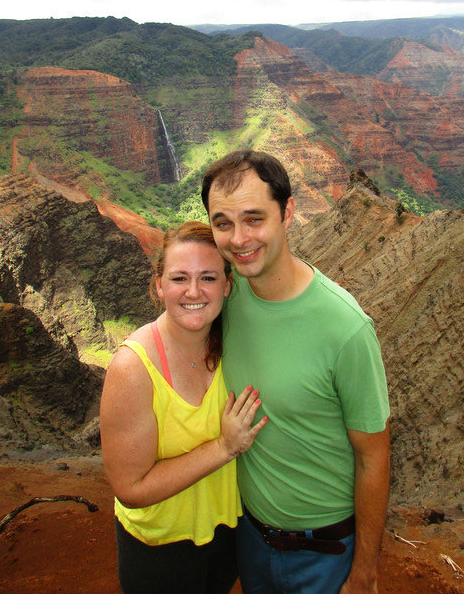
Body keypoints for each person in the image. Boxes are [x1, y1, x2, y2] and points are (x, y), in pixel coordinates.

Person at [201, 151, 390, 594]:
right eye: (222, 223)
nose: (239, 238)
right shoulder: (225, 299)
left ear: (287, 212)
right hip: (251, 542)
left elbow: (374, 455)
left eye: (254, 218)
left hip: (326, 555)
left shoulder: (345, 329)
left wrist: (364, 573)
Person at [100, 221, 267, 594]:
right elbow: (131, 488)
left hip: (226, 535)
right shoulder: (133, 367)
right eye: (179, 279)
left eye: (208, 278)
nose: (194, 291)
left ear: (227, 285)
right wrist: (224, 448)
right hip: (159, 551)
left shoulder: (236, 348)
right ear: (159, 285)